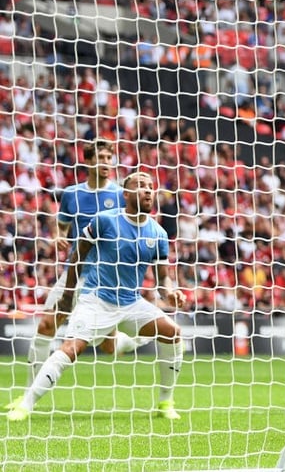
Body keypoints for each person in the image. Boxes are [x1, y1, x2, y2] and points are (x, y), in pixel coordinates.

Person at [6, 172, 186, 422]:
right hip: (96, 299)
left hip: (131, 303)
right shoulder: (105, 220)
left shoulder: (158, 234)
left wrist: (170, 291)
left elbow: (162, 278)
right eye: (140, 186)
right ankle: (25, 405)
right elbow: (77, 255)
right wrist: (68, 296)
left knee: (173, 332)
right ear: (126, 194)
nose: (147, 190)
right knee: (71, 348)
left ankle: (165, 402)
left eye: (150, 187)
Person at [5, 140, 144, 411]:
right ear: (89, 161)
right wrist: (58, 236)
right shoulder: (72, 194)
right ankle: (27, 395)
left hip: (107, 277)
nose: (106, 163)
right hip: (76, 271)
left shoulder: (120, 195)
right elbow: (62, 224)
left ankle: (130, 343)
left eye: (110, 158)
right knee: (46, 326)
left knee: (108, 346)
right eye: (101, 157)